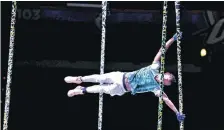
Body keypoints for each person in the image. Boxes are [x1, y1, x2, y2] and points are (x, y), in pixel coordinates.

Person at [64, 33, 185, 122]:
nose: (164, 82)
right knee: (99, 78)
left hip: (122, 89)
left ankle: (81, 90)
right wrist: (172, 39)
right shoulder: (154, 67)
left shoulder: (156, 88)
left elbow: (166, 99)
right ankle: (80, 79)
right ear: (166, 74)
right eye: (166, 79)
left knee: (101, 89)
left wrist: (177, 112)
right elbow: (162, 51)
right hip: (120, 76)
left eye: (166, 83)